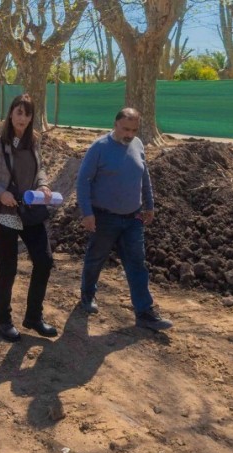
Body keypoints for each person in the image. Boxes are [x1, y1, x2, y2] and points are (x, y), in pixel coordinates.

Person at [0, 94, 58, 342]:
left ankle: (33, 318)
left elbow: (39, 170)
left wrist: (44, 185)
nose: (23, 118)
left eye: (27, 114)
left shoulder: (34, 141)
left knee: (44, 261)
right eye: (19, 112)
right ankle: (3, 320)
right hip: (3, 213)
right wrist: (1, 194)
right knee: (8, 267)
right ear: (10, 114)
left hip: (29, 211)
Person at [75, 108, 173, 331]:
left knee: (137, 264)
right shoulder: (99, 148)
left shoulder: (137, 144)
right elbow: (83, 181)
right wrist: (87, 213)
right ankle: (87, 294)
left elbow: (144, 176)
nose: (129, 134)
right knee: (96, 258)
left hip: (133, 218)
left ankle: (144, 312)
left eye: (133, 129)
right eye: (125, 129)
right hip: (104, 218)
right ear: (115, 124)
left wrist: (149, 204)